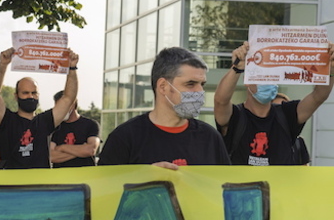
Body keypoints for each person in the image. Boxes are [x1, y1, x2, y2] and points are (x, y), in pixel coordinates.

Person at [98, 47, 230, 168]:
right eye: (190, 84)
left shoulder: (210, 138)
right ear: (163, 87)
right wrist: (144, 179)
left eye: (202, 84)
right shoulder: (124, 138)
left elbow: (225, 188)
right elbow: (105, 189)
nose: (200, 91)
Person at [213, 41, 334, 165]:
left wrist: (329, 70)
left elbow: (318, 97)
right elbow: (220, 101)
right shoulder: (236, 117)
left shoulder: (287, 115)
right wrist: (237, 68)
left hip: (280, 184)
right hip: (242, 184)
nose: (268, 81)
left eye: (272, 76)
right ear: (248, 80)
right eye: (263, 76)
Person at [0, 47, 79, 169]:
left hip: (40, 185)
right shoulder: (6, 120)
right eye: (25, 93)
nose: (30, 96)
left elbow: (68, 98)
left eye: (34, 93)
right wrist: (3, 65)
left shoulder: (45, 121)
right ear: (16, 96)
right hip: (11, 185)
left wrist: (72, 68)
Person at [50, 91, 100, 168]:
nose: (58, 110)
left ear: (72, 104)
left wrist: (62, 148)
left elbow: (91, 150)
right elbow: (52, 156)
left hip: (85, 177)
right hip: (61, 177)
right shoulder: (55, 127)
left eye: (61, 106)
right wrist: (81, 151)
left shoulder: (91, 124)